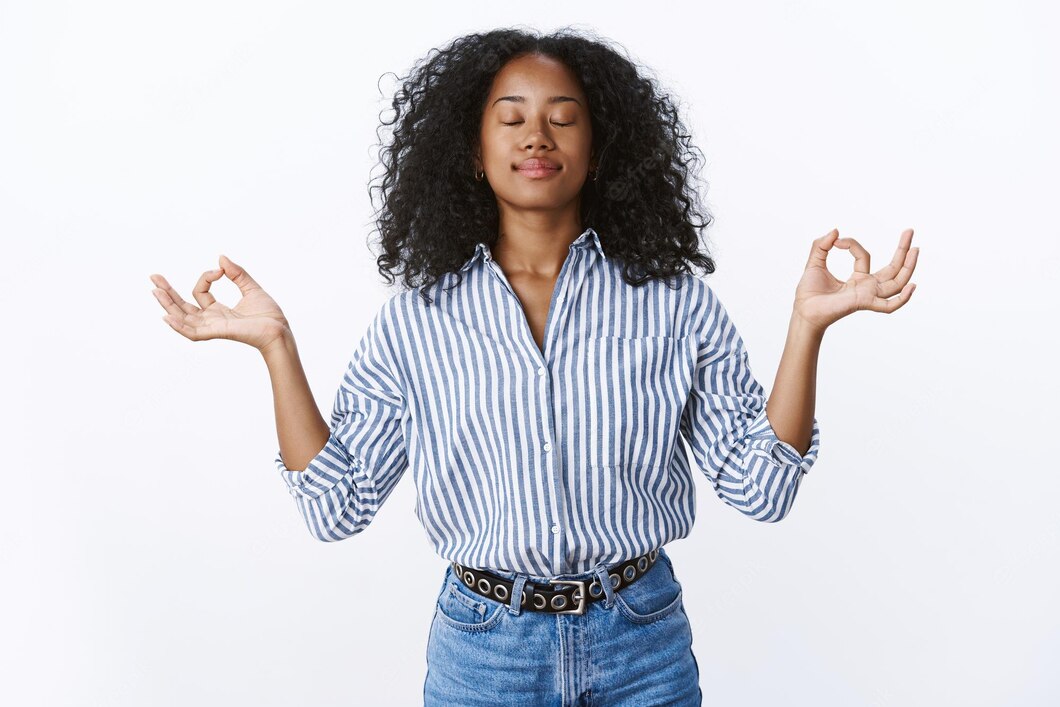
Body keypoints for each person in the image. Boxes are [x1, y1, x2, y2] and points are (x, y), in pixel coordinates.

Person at [149, 27, 919, 707]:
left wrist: (806, 327)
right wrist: (277, 347)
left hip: (640, 642)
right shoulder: (422, 315)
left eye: (563, 117)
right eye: (511, 117)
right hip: (484, 653)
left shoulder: (672, 301)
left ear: (600, 146)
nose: (536, 136)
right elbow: (336, 505)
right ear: (473, 153)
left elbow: (762, 488)